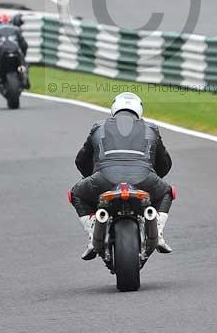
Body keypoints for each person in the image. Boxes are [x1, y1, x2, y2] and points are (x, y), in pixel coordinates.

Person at [70, 92, 173, 260]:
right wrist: (153, 178)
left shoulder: (99, 126)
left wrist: (91, 177)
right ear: (139, 110)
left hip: (104, 178)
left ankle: (93, 231)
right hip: (144, 178)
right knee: (167, 191)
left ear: (114, 108)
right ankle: (158, 232)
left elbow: (81, 160)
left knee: (76, 193)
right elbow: (165, 163)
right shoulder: (151, 128)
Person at [0, 13, 30, 92]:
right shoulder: (16, 29)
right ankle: (24, 77)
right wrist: (23, 54)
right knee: (23, 64)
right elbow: (24, 44)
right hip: (15, 51)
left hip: (2, 52)